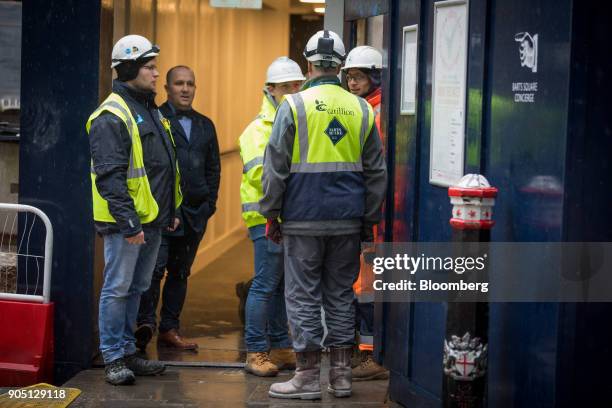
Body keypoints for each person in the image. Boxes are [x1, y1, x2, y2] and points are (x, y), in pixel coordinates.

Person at [260, 31, 387, 399]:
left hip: (302, 219)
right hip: (347, 220)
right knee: (340, 296)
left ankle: (307, 378)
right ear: (341, 65)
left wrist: (271, 213)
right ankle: (342, 377)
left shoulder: (294, 106)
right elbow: (375, 171)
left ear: (309, 63)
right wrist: (368, 219)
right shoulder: (361, 108)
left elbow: (275, 170)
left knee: (301, 297)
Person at [87, 34, 182, 385]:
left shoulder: (148, 107)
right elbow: (109, 176)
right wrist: (129, 223)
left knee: (136, 288)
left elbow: (162, 164)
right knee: (118, 287)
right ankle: (113, 356)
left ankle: (128, 351)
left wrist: (169, 209)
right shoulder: (111, 115)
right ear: (128, 69)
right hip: (127, 224)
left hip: (152, 219)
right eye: (149, 67)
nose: (157, 73)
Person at [135, 66, 221, 350]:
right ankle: (145, 325)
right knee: (154, 271)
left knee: (180, 273)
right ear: (168, 88)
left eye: (190, 84)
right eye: (179, 83)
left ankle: (170, 330)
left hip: (195, 214)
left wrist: (209, 204)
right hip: (162, 214)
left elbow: (213, 169)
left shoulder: (206, 125)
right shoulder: (155, 120)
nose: (185, 89)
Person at [238, 57, 304, 377]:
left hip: (284, 216)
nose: (293, 90)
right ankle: (255, 351)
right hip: (265, 219)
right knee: (264, 284)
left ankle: (279, 346)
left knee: (278, 285)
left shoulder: (293, 119)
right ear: (270, 89)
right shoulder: (257, 130)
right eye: (286, 86)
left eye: (297, 84)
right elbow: (262, 176)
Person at [342, 45, 389, 381]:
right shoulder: (359, 109)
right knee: (362, 284)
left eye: (358, 77)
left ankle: (370, 354)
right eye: (350, 77)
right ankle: (365, 348)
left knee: (368, 286)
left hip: (374, 212)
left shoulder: (376, 112)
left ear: (374, 77)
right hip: (365, 208)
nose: (353, 83)